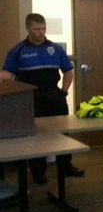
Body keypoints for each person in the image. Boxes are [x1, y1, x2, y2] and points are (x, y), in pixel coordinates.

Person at [0, 13, 84, 184]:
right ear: (28, 28)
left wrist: (64, 91)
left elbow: (68, 71)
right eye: (37, 29)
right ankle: (38, 171)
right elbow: (9, 73)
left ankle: (65, 165)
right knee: (36, 135)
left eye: (43, 29)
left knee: (63, 133)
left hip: (54, 95)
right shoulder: (18, 50)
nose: (41, 32)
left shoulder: (55, 49)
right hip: (31, 99)